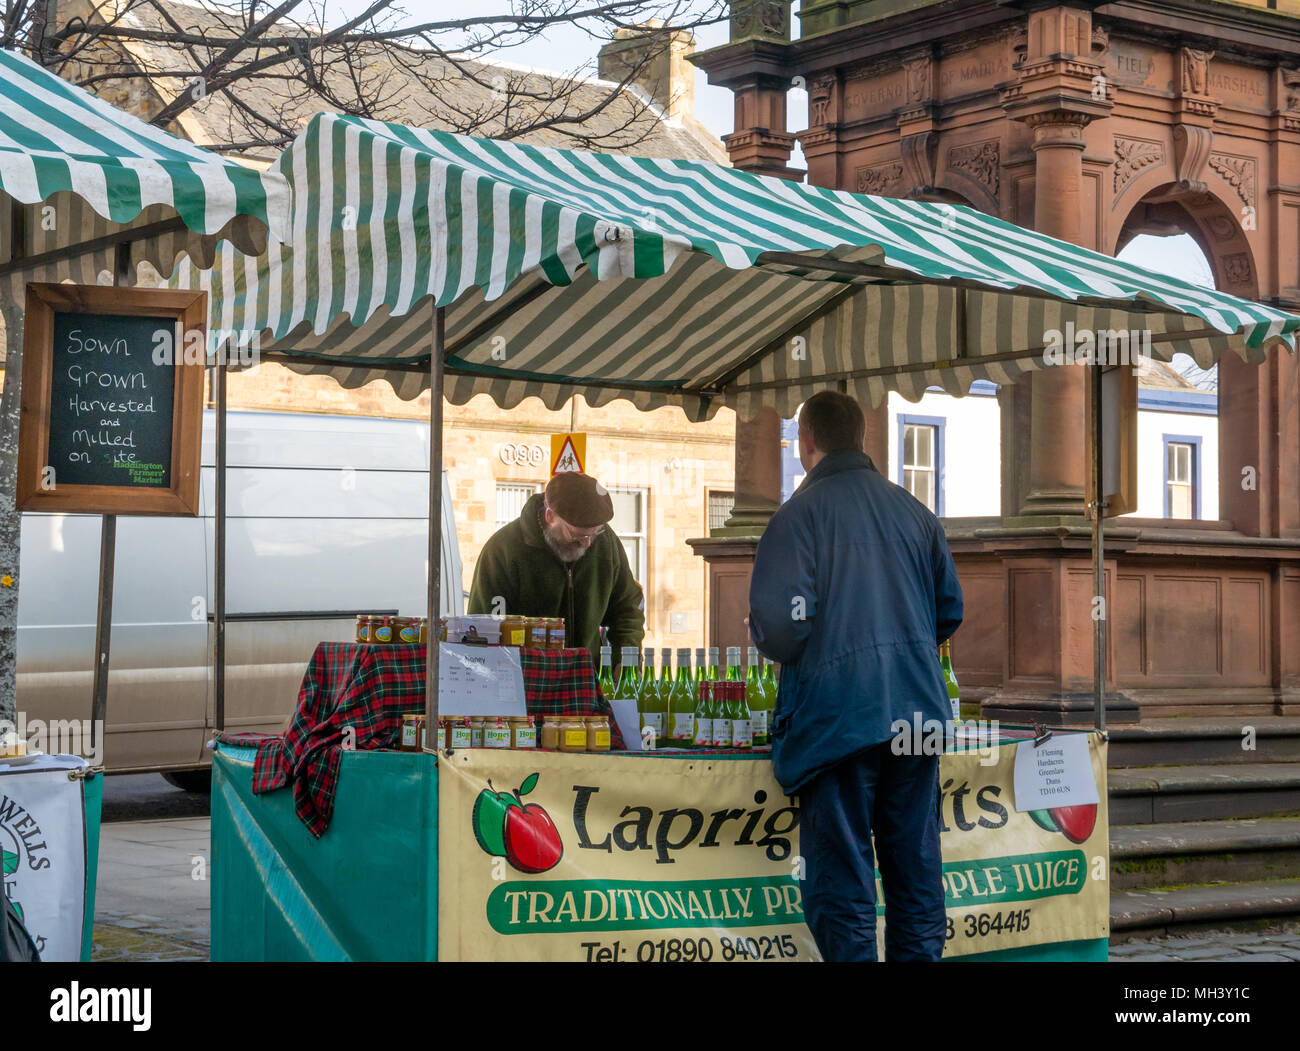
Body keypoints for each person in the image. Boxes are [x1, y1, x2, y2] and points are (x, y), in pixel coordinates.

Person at [748, 390, 963, 962]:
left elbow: (779, 630)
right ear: (863, 439)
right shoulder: (915, 512)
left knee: (842, 886)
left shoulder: (797, 517)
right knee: (916, 878)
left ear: (807, 442)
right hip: (916, 719)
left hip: (837, 722)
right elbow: (949, 612)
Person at [469, 471, 645, 662]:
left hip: (586, 678)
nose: (587, 543)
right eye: (577, 535)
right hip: (526, 680)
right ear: (550, 516)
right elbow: (485, 627)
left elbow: (627, 608)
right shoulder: (502, 550)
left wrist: (626, 659)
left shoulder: (605, 542)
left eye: (595, 533)